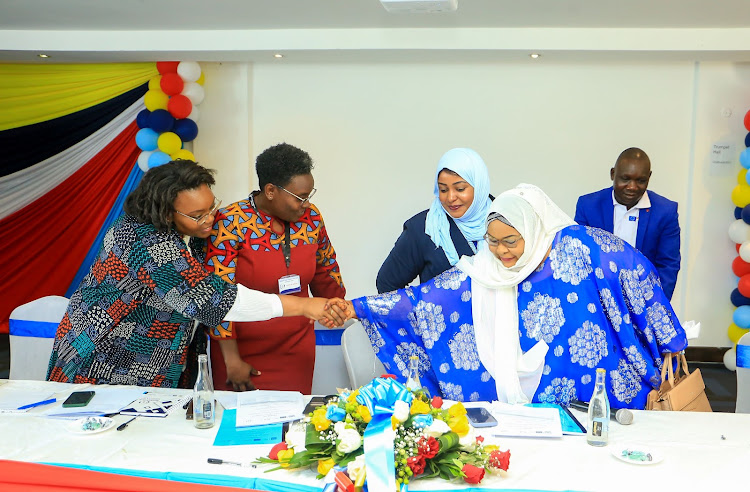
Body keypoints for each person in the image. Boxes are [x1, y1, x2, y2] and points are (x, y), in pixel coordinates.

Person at [332, 184, 687, 409]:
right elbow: (427, 298)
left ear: (532, 229)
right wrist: (358, 308)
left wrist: (668, 335)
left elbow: (635, 269)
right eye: (492, 240)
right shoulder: (485, 265)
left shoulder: (582, 246)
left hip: (588, 390)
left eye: (510, 241)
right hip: (515, 391)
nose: (500, 251)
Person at [47, 160, 342, 388]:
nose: (212, 218)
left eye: (211, 206)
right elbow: (212, 299)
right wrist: (304, 305)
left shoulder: (197, 232)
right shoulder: (142, 240)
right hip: (106, 362)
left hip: (167, 362)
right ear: (165, 213)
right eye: (198, 215)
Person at [204, 143, 345, 393]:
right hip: (242, 352)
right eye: (300, 197)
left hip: (296, 349)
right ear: (270, 190)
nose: (306, 204)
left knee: (292, 427)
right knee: (241, 427)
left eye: (309, 195)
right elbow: (217, 296)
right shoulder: (231, 221)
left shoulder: (311, 218)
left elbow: (326, 268)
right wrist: (231, 359)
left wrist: (337, 305)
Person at [376, 148, 493, 293]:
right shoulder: (422, 228)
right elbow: (387, 284)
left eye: (460, 189)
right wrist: (421, 311)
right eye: (443, 190)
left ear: (480, 186)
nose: (450, 198)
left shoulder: (507, 219)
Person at [574, 147, 680, 299]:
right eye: (625, 179)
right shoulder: (588, 206)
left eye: (640, 181)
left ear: (649, 177)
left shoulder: (665, 212)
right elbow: (579, 258)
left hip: (645, 300)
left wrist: (655, 306)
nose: (632, 187)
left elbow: (668, 265)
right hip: (597, 299)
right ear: (613, 174)